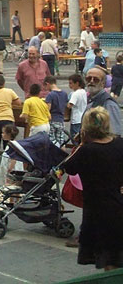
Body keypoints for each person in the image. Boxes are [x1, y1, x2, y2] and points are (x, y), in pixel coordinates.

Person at [62, 107, 123, 271]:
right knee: (116, 259)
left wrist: (81, 143)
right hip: (118, 205)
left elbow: (68, 167)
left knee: (109, 262)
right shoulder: (120, 144)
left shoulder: (87, 151)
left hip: (97, 212)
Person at [84, 66, 122, 137]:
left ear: (103, 83)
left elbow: (115, 132)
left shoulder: (109, 103)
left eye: (96, 79)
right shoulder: (91, 99)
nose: (91, 81)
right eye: (88, 79)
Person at [43, 76, 68, 143]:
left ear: (47, 84)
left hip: (52, 119)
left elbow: (48, 108)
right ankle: (62, 153)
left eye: (45, 87)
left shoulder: (50, 95)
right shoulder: (64, 94)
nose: (46, 89)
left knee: (51, 141)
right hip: (61, 120)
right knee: (60, 141)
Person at [66, 74, 88, 138]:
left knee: (74, 137)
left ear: (77, 83)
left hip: (76, 119)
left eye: (71, 83)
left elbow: (70, 105)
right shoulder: (83, 91)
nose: (70, 85)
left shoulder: (75, 94)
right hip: (82, 117)